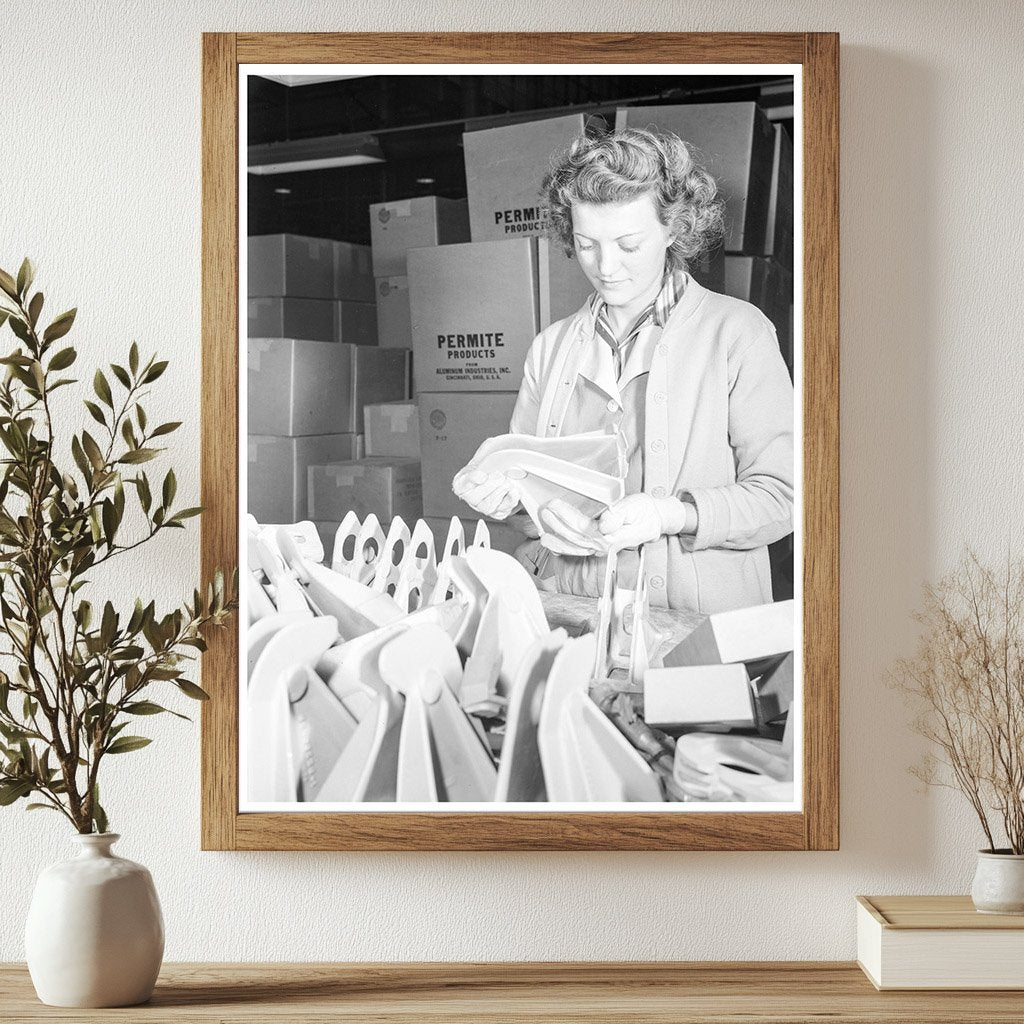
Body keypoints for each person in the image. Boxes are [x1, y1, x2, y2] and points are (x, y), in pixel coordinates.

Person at [453, 127, 794, 614]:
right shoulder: (550, 348)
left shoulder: (738, 334)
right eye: (586, 243)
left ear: (674, 228)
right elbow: (530, 505)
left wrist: (669, 515)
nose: (606, 265)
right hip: (570, 613)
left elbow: (783, 497)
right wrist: (512, 502)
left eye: (628, 244)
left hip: (698, 627)